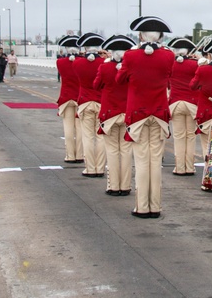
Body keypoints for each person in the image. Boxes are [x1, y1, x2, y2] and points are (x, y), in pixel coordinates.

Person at [116, 15, 175, 219]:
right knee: (155, 162)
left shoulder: (130, 56)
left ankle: (142, 206)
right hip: (159, 113)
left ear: (140, 35)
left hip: (138, 113)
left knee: (141, 161)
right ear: (159, 36)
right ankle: (155, 206)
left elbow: (120, 79)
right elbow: (169, 74)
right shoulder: (168, 56)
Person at [96, 34, 134, 196]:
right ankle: (125, 185)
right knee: (126, 151)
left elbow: (96, 85)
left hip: (110, 112)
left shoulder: (104, 67)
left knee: (112, 151)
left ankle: (113, 186)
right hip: (127, 111)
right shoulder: (132, 68)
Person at [74, 33, 106, 178]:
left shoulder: (77, 62)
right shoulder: (104, 63)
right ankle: (100, 167)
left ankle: (90, 168)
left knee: (87, 137)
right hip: (100, 101)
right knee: (100, 137)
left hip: (85, 101)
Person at [168, 37, 200, 176]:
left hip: (175, 102)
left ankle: (179, 167)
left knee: (179, 137)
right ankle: (189, 166)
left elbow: (168, 84)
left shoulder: (171, 65)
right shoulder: (195, 64)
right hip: (192, 102)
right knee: (191, 136)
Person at [55, 36, 83, 164]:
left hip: (66, 96)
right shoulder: (82, 62)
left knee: (68, 129)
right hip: (80, 97)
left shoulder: (60, 62)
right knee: (80, 128)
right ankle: (80, 154)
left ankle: (70, 155)